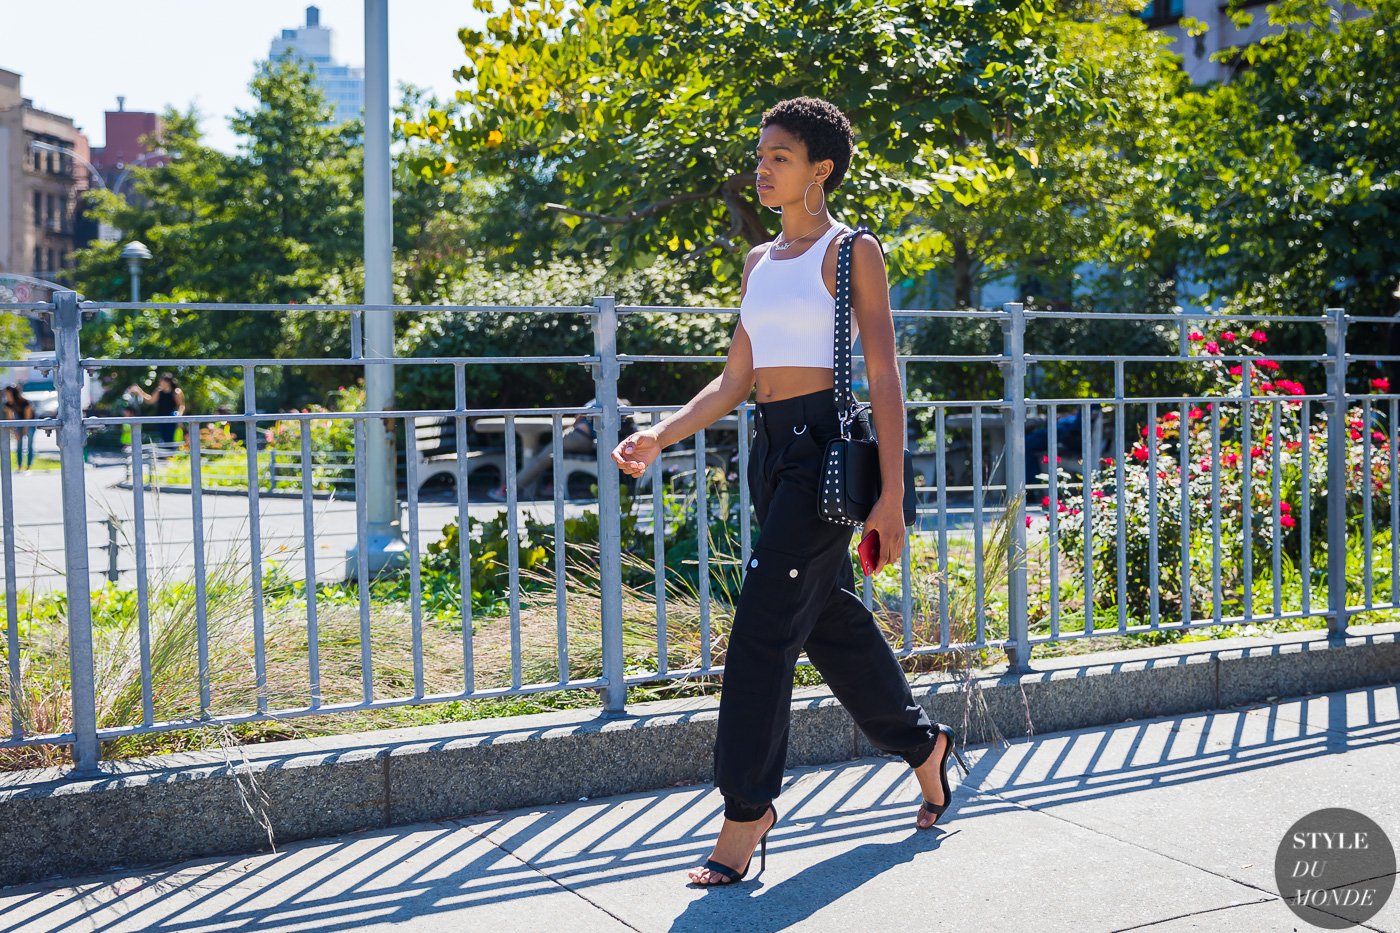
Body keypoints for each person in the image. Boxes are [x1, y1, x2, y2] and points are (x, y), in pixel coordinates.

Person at [611, 97, 964, 888]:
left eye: (779, 156)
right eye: (761, 155)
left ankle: (746, 812)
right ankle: (926, 744)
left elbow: (883, 374)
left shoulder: (851, 251)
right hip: (772, 452)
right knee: (830, 619)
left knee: (764, 625)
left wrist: (894, 495)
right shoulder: (759, 262)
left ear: (820, 169)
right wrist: (660, 435)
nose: (763, 168)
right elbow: (738, 377)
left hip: (824, 451)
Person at [488, 396, 636, 501]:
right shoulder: (623, 412)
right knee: (555, 457)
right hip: (593, 444)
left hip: (578, 436)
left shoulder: (604, 398)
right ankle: (549, 486)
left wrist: (575, 425)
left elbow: (580, 414)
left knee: (542, 458)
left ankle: (508, 489)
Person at [127, 373, 185, 445]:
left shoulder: (176, 391)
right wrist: (140, 391)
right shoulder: (159, 391)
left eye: (161, 381)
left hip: (171, 418)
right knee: (164, 437)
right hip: (161, 417)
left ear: (167, 382)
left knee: (171, 438)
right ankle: (166, 454)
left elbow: (181, 406)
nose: (159, 383)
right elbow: (150, 400)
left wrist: (179, 417)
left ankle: (172, 453)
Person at [2, 384, 37, 470]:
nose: (6, 396)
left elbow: (28, 418)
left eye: (8, 394)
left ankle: (28, 466)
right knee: (19, 444)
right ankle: (19, 465)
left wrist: (25, 429)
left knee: (29, 444)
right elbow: (10, 419)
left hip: (30, 422)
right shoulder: (8, 405)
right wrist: (15, 432)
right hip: (19, 422)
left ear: (13, 394)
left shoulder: (25, 402)